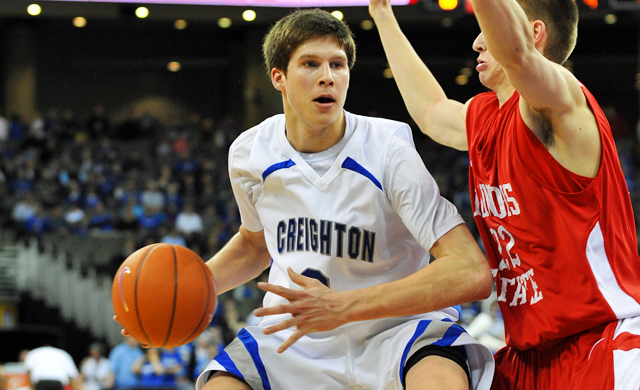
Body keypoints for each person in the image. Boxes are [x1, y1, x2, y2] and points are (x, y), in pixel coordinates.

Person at [194, 8, 494, 390]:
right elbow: (256, 244)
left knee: (441, 382)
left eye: (338, 65)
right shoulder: (249, 153)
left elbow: (470, 270)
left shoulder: (389, 150)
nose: (327, 77)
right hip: (296, 343)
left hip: (398, 333)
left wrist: (343, 307)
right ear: (278, 78)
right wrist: (194, 287)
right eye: (311, 64)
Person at [368, 0, 640, 388]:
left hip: (600, 344)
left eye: (484, 29)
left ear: (533, 33)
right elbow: (430, 112)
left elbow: (518, 56)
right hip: (527, 356)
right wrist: (381, 12)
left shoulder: (562, 103)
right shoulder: (485, 117)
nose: (477, 43)